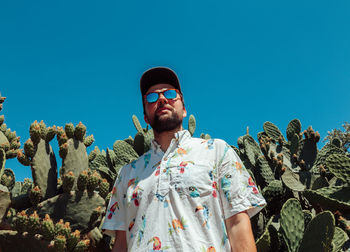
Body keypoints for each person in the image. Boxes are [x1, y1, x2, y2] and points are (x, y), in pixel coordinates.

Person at [102, 67, 266, 252]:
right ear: (145, 117)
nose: (162, 99)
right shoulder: (127, 173)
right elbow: (121, 243)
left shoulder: (217, 152)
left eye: (171, 94)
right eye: (152, 97)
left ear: (185, 109)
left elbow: (237, 224)